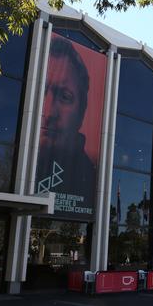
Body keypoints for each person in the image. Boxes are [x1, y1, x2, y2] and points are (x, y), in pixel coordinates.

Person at [36, 35, 96, 216]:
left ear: (81, 111)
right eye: (41, 90)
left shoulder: (90, 181)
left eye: (64, 96)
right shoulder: (5, 158)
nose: (48, 111)